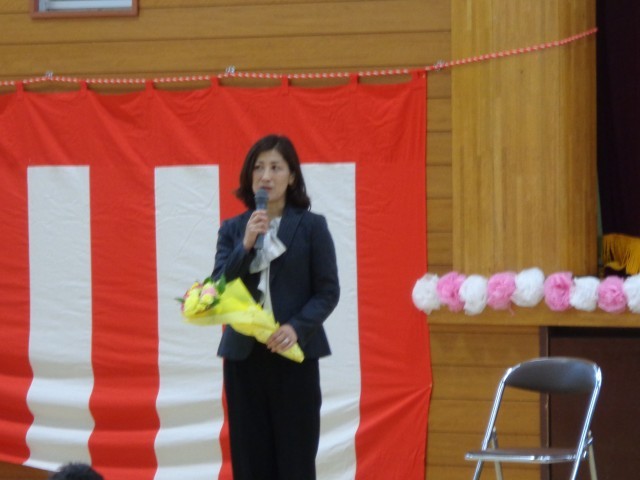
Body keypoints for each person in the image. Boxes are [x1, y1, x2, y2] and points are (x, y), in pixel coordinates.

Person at [212, 134, 340, 480]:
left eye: (275, 167)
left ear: (292, 176)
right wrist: (246, 244)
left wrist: (296, 327)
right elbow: (218, 287)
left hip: (293, 355)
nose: (266, 176)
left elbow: (327, 291)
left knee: (295, 459)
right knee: (250, 460)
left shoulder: (312, 227)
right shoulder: (233, 229)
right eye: (258, 168)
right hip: (244, 358)